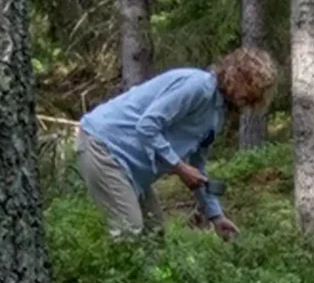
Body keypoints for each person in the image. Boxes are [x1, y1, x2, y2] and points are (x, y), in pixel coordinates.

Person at [76, 47, 278, 239]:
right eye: (251, 85)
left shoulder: (215, 115)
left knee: (154, 233)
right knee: (129, 230)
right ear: (236, 75)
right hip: (104, 146)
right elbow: (147, 125)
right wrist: (180, 167)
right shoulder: (199, 86)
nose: (253, 96)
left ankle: (141, 275)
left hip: (128, 165)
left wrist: (216, 216)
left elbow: (197, 169)